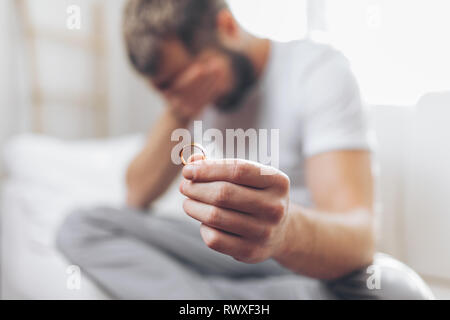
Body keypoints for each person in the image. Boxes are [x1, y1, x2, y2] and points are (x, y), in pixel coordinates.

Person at [56, 0, 433, 299]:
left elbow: (358, 238)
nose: (174, 96)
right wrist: (180, 110)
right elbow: (135, 195)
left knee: (397, 291)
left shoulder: (316, 71)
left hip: (300, 256)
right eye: (162, 90)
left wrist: (282, 230)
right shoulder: (186, 99)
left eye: (178, 81)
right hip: (222, 254)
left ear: (228, 28)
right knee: (82, 226)